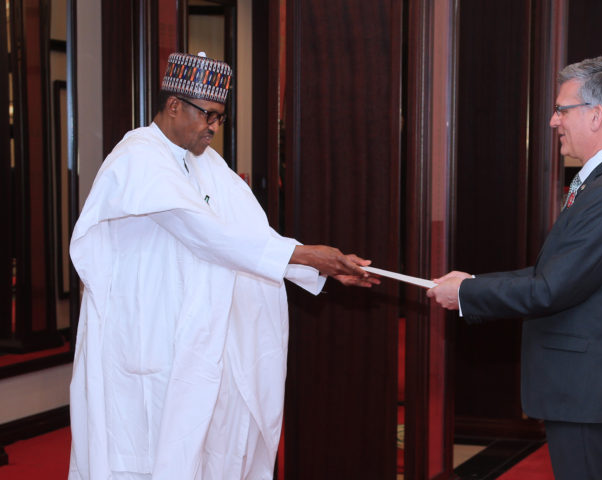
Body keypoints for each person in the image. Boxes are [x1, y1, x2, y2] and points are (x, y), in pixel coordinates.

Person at [68, 52, 378, 479]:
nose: (213, 128)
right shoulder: (137, 157)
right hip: (146, 334)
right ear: (175, 105)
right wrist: (305, 256)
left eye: (220, 118)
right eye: (208, 115)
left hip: (196, 332)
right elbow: (203, 231)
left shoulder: (207, 162)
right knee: (146, 445)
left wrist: (317, 266)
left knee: (203, 444)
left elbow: (251, 233)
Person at [427, 55, 602, 480]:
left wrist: (465, 293)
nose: (553, 121)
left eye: (561, 110)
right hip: (590, 388)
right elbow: (553, 275)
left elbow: (550, 289)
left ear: (596, 115)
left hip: (590, 391)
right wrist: (471, 283)